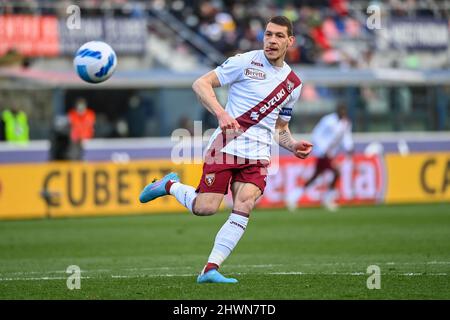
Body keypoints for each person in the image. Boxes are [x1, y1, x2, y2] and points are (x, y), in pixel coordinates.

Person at [139, 16, 313, 284]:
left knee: (245, 203)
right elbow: (201, 83)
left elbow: (280, 129)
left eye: (279, 36)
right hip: (226, 145)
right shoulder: (246, 61)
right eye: (268, 34)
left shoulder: (293, 84)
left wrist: (293, 145)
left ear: (290, 41)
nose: (272, 41)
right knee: (205, 208)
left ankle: (209, 269)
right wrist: (221, 114)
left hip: (258, 155)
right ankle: (169, 186)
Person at [285, 103, 354, 212]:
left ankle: (293, 197)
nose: (343, 114)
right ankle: (328, 199)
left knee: (315, 176)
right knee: (336, 172)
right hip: (323, 153)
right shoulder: (328, 121)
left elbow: (346, 137)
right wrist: (323, 149)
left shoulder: (346, 123)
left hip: (331, 153)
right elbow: (317, 134)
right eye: (341, 112)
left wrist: (349, 147)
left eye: (344, 112)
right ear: (337, 111)